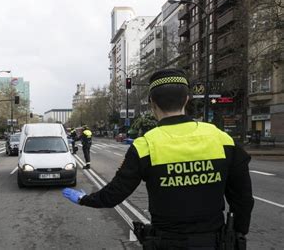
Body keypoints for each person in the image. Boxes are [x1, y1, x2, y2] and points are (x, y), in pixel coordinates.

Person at [63, 69, 253, 249]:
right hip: (214, 242)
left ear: (152, 102)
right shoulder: (222, 139)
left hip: (166, 242)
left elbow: (114, 194)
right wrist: (238, 234)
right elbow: (243, 198)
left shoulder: (145, 145)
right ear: (186, 99)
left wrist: (84, 199)